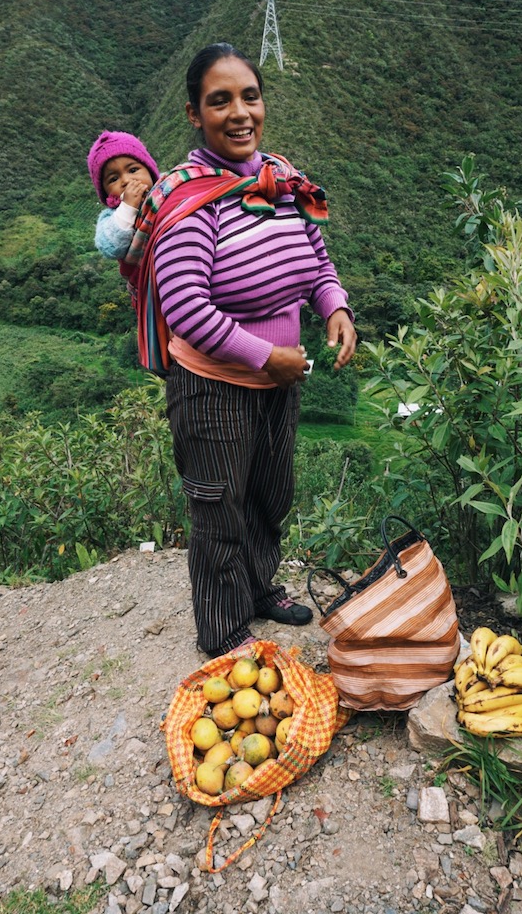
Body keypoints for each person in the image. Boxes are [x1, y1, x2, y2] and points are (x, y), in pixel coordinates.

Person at [136, 43, 357, 658]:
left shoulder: (279, 180)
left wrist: (335, 306)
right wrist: (266, 356)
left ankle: (259, 589)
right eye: (220, 101)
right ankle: (223, 628)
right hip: (214, 386)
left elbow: (315, 260)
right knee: (217, 505)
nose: (239, 112)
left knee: (268, 493)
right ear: (193, 114)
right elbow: (186, 310)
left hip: (278, 384)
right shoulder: (189, 200)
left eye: (249, 96)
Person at [87, 130, 161, 298]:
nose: (126, 180)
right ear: (106, 193)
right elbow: (110, 246)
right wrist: (128, 207)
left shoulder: (168, 190)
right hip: (150, 294)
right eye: (113, 179)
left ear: (150, 171)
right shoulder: (112, 217)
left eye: (133, 169)